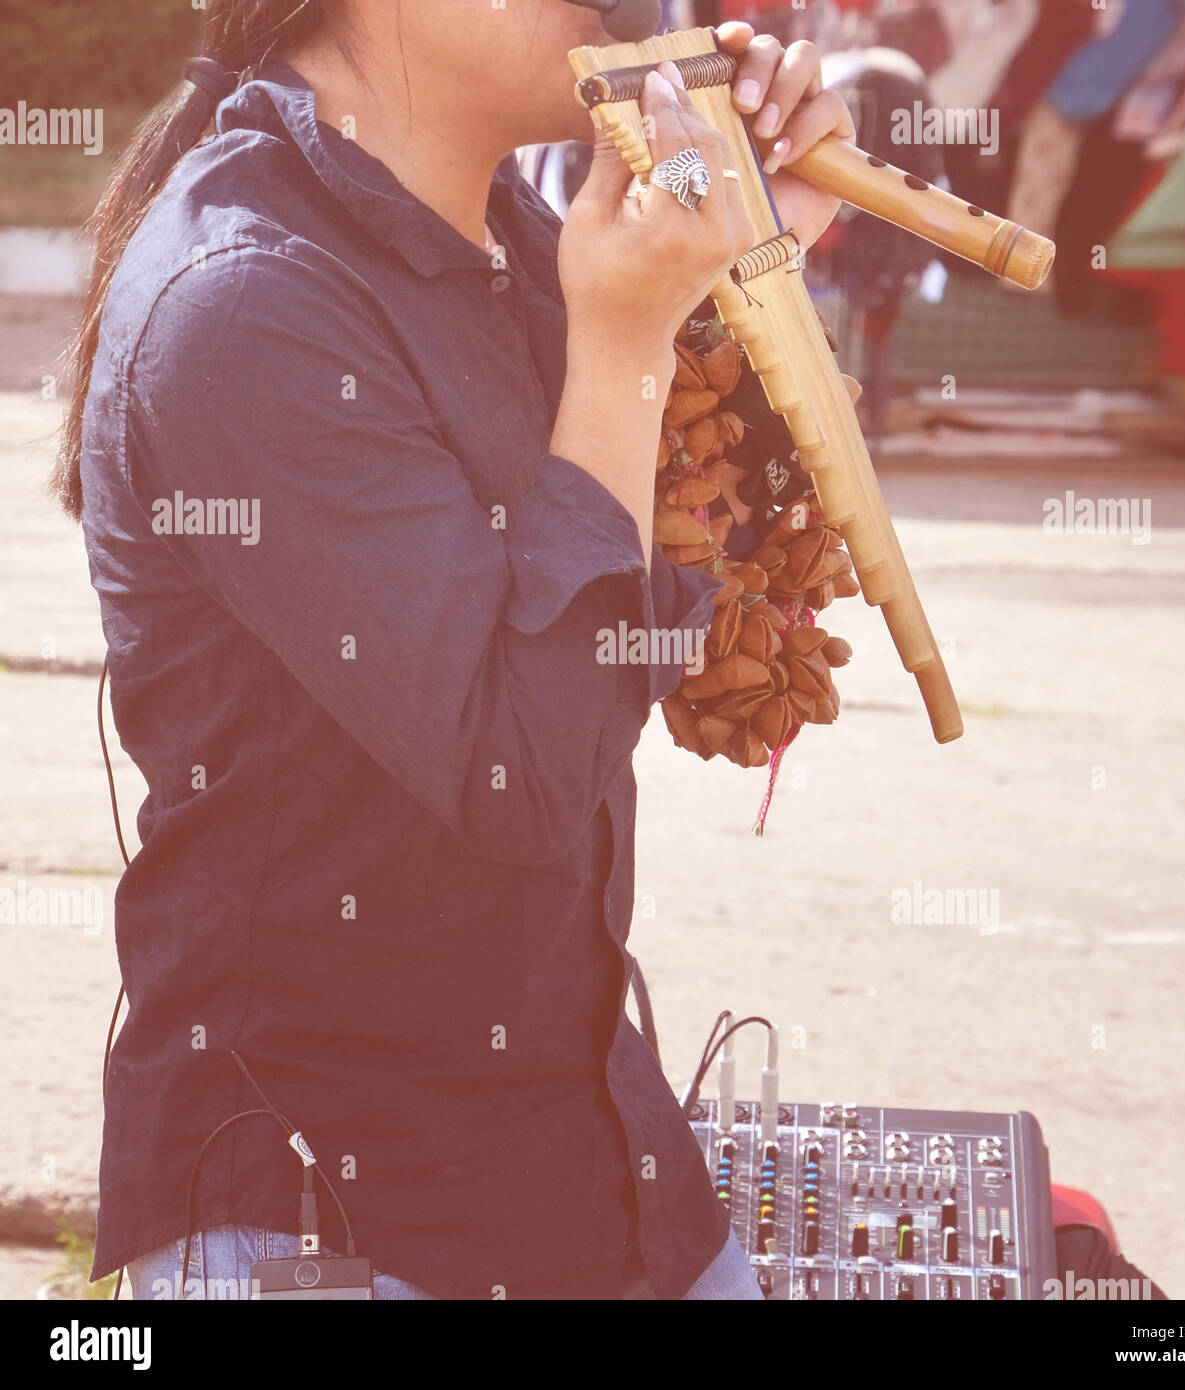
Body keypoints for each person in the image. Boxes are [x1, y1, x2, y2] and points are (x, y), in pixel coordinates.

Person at [53, 1, 852, 1300]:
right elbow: (524, 773)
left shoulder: (514, 240)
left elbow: (687, 655)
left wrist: (744, 270)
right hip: (329, 1218)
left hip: (595, 1157)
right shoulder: (247, 307)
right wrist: (625, 342)